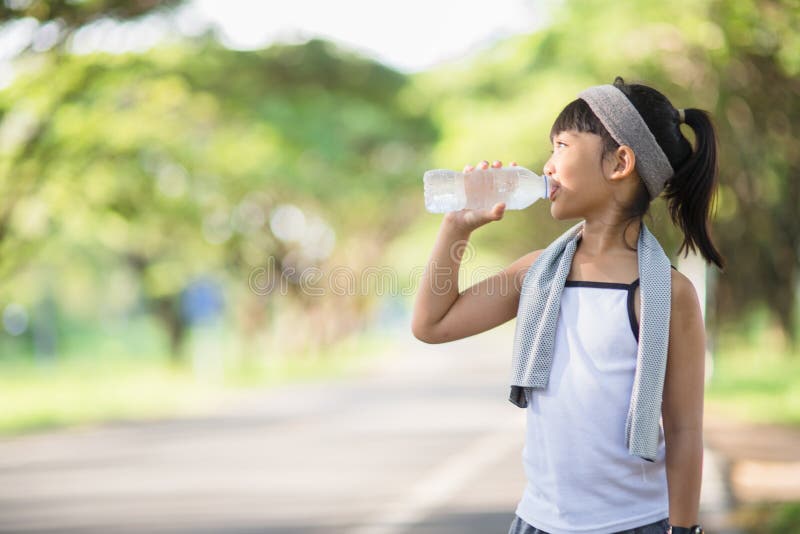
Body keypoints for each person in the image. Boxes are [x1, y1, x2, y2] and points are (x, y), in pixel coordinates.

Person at [411, 76, 724, 534]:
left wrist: (684, 529)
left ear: (619, 162)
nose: (548, 165)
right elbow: (431, 324)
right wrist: (457, 229)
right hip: (538, 521)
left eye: (562, 145)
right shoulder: (536, 273)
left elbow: (683, 432)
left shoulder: (669, 294)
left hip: (636, 524)